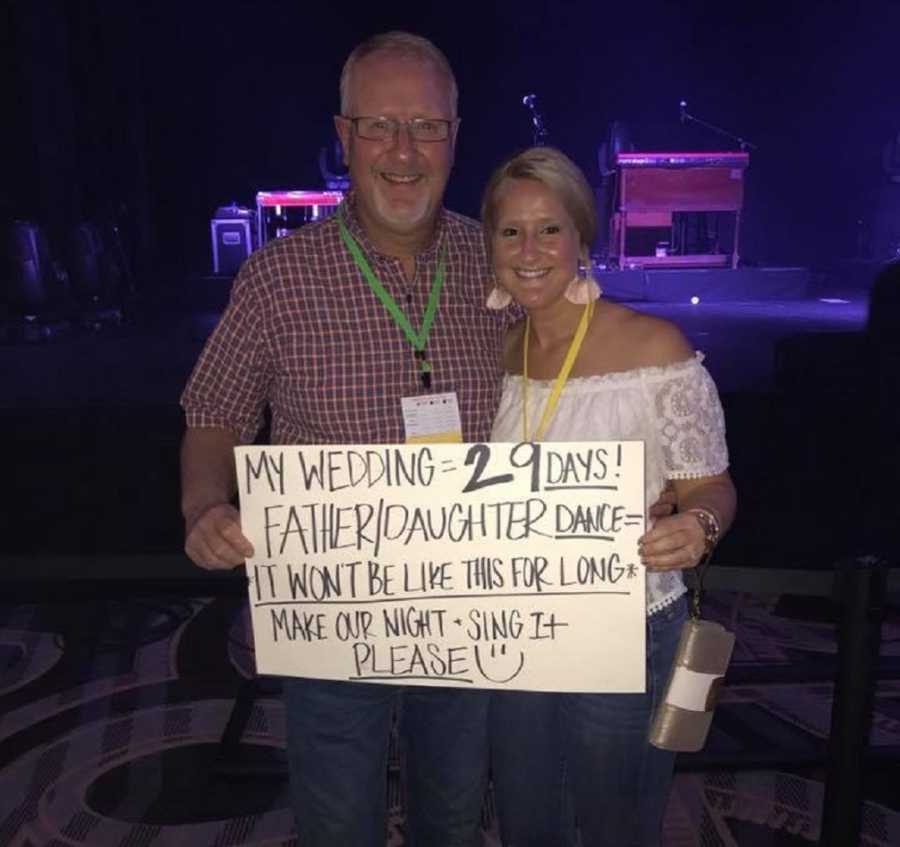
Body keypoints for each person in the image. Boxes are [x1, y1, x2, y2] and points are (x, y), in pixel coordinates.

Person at [179, 31, 507, 847]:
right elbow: (213, 412)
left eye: (427, 126)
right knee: (338, 823)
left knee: (455, 814)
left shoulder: (503, 263)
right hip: (333, 613)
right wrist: (204, 504)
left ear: (456, 136)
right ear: (343, 135)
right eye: (378, 125)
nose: (403, 150)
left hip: (469, 604)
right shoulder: (276, 276)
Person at [481, 146, 737, 847]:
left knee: (612, 817)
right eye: (510, 231)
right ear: (491, 245)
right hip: (519, 627)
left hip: (624, 622)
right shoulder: (496, 356)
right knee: (528, 813)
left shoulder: (652, 345)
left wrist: (699, 524)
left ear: (582, 238)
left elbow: (711, 481)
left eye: (550, 228)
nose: (530, 250)